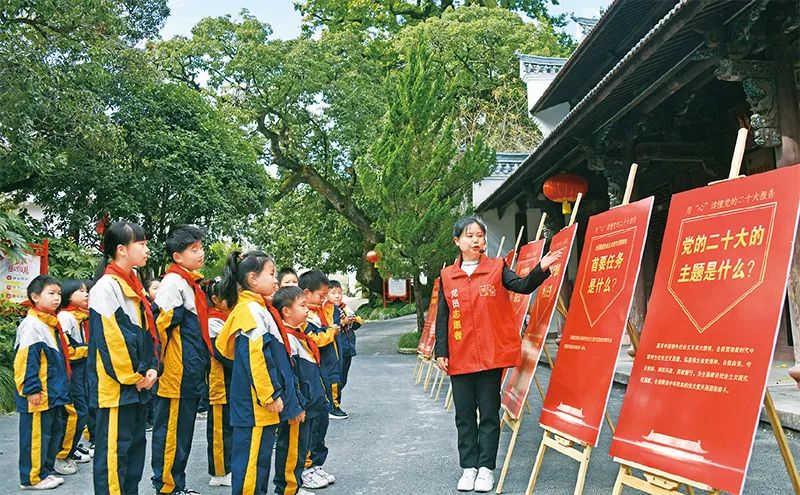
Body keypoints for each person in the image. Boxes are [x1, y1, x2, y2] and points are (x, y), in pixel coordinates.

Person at [434, 216, 562, 493]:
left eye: (480, 235)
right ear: (457, 241)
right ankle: (468, 468)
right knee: (464, 415)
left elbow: (522, 286)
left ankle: (485, 469)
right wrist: (441, 351)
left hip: (490, 356)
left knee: (490, 413)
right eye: (469, 236)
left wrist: (541, 268)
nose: (476, 240)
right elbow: (443, 317)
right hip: (460, 356)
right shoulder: (447, 276)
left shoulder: (496, 267)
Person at [215, 251, 304, 495]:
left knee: (259, 464)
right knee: (251, 469)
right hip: (255, 405)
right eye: (272, 274)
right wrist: (269, 395)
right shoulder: (250, 310)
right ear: (253, 279)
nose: (276, 280)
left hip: (258, 405)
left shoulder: (258, 307)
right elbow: (257, 357)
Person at [88, 221, 159, 495]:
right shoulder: (106, 287)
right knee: (114, 458)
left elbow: (146, 333)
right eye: (140, 243)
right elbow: (112, 342)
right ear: (121, 250)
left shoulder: (134, 285)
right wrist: (135, 377)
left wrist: (151, 367)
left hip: (136, 385)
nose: (146, 249)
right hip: (116, 389)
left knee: (133, 455)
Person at [151, 225, 210, 495]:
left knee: (182, 432)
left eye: (201, 248)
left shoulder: (189, 282)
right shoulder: (173, 282)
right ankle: (167, 488)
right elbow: (160, 327)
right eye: (193, 249)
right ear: (177, 256)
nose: (200, 253)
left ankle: (176, 486)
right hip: (176, 372)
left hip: (189, 369)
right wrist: (158, 367)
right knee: (172, 433)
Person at [15, 275, 71, 490]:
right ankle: (31, 478)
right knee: (35, 435)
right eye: (51, 293)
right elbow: (26, 360)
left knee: (50, 432)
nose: (57, 298)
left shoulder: (48, 322)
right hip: (40, 392)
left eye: (59, 294)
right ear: (35, 297)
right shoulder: (32, 324)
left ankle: (44, 472)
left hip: (51, 391)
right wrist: (31, 388)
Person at [273, 286, 329, 495]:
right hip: (299, 406)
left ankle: (294, 486)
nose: (307, 310)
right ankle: (287, 489)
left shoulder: (299, 335)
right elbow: (291, 376)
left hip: (308, 403)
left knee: (300, 447)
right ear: (286, 311)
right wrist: (297, 404)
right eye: (302, 305)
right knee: (291, 449)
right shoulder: (287, 338)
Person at [55, 279, 93, 471]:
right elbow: (67, 350)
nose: (86, 294)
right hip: (72, 371)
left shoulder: (79, 316)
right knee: (76, 412)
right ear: (68, 295)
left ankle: (71, 448)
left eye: (86, 291)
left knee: (82, 410)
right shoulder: (65, 317)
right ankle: (62, 455)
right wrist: (89, 350)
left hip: (81, 370)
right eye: (80, 291)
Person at [205, 277, 232, 487]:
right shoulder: (212, 320)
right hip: (219, 381)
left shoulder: (228, 316)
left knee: (230, 426)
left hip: (232, 379)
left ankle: (229, 466)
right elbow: (222, 352)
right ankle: (219, 472)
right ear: (215, 299)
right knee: (220, 429)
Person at [325, 280, 362, 405]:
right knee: (337, 378)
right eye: (333, 293)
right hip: (337, 349)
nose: (337, 296)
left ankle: (335, 403)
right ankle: (334, 404)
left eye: (339, 293)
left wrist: (354, 320)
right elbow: (329, 327)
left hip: (347, 348)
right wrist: (343, 322)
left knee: (343, 378)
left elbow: (356, 325)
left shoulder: (345, 308)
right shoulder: (327, 310)